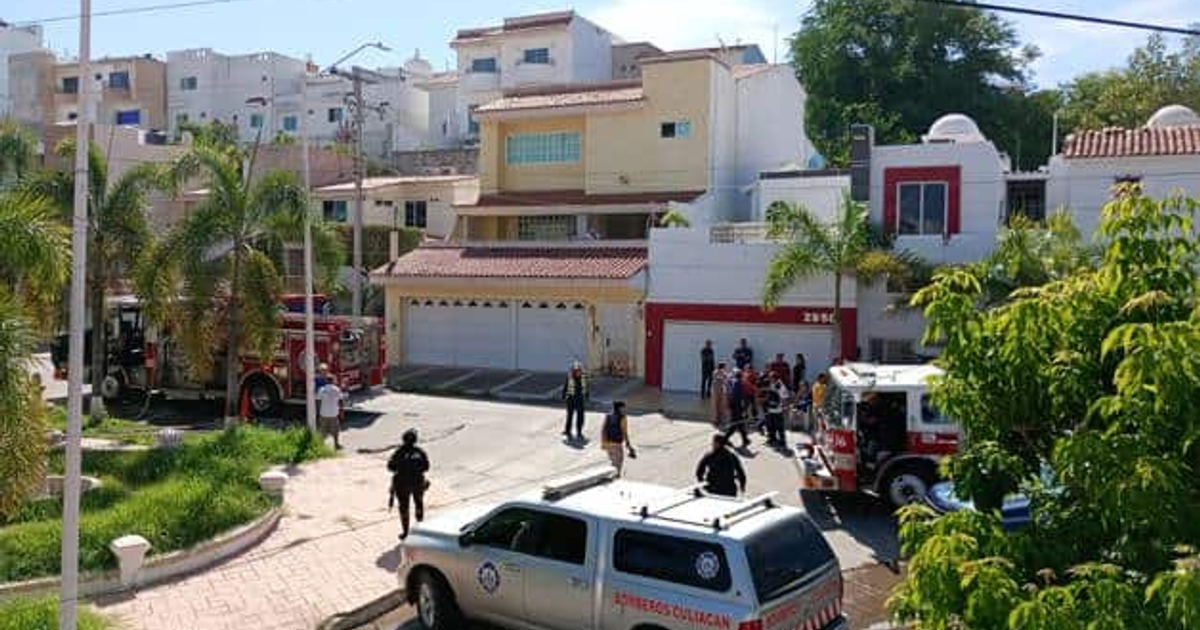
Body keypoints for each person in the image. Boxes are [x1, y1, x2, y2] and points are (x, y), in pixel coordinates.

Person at [388, 429, 430, 540]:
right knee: (419, 504)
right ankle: (420, 529)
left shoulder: (399, 452)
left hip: (401, 484)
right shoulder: (420, 452)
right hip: (417, 483)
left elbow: (390, 467)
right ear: (415, 440)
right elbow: (426, 467)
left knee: (404, 507)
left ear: (403, 439)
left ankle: (405, 532)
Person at [600, 401, 636, 476]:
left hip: (608, 442)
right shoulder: (622, 417)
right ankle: (615, 478)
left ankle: (613, 477)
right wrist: (628, 445)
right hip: (616, 443)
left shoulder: (608, 416)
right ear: (620, 408)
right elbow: (624, 432)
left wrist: (603, 443)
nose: (625, 409)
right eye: (623, 408)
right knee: (618, 463)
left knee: (613, 462)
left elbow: (603, 429)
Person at [315, 365, 344, 450]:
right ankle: (336, 444)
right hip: (334, 414)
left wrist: (318, 412)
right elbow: (340, 401)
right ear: (333, 381)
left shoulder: (321, 390)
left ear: (326, 381)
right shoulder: (337, 389)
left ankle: (321, 446)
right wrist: (341, 412)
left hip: (323, 413)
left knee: (322, 430)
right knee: (335, 430)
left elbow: (318, 401)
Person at [561, 361, 588, 440]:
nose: (578, 372)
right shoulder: (569, 377)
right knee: (569, 416)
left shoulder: (583, 377)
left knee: (580, 416)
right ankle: (567, 430)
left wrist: (586, 394)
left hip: (580, 400)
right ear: (573, 371)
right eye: (576, 371)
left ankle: (579, 431)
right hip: (571, 399)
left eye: (579, 370)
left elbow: (585, 387)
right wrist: (563, 395)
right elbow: (566, 386)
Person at [725, 369, 750, 448]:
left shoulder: (735, 382)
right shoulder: (739, 383)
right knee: (735, 425)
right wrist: (743, 407)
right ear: (741, 376)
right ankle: (725, 439)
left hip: (735, 406)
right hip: (737, 407)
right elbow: (739, 396)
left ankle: (745, 439)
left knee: (740, 424)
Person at [764, 373, 789, 447]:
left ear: (775, 378)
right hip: (770, 409)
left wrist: (784, 407)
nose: (770, 379)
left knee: (779, 427)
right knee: (770, 426)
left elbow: (785, 398)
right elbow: (769, 395)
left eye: (771, 378)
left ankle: (782, 442)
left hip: (778, 410)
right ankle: (772, 439)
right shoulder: (772, 384)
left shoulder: (781, 386)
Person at [711, 362, 730, 427]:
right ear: (723, 367)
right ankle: (719, 420)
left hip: (717, 392)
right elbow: (723, 380)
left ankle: (717, 420)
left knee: (717, 406)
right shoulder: (720, 372)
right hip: (719, 392)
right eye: (725, 366)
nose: (726, 368)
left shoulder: (716, 372)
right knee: (720, 406)